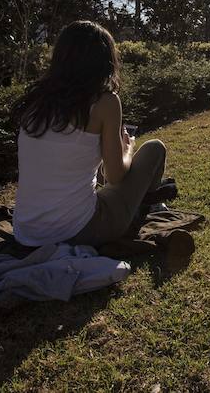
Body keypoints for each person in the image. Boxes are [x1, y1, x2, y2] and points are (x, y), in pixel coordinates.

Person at [10, 20, 167, 247]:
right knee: (154, 148)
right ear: (105, 61)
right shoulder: (105, 102)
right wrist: (128, 148)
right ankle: (148, 205)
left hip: (25, 232)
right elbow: (115, 176)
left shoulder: (36, 101)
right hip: (78, 230)